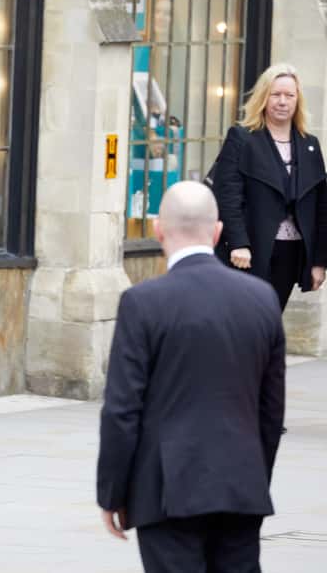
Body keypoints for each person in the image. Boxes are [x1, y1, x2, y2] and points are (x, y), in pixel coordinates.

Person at [97, 181, 285, 573]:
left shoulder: (143, 303)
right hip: (241, 486)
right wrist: (255, 477)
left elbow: (122, 411)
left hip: (167, 490)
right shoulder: (262, 298)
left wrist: (113, 493)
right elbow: (271, 411)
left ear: (158, 230)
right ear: (217, 232)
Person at [213, 62, 327, 310]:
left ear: (298, 100)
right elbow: (227, 196)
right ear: (263, 97)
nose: (282, 102)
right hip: (249, 253)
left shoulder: (310, 144)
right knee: (245, 319)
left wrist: (319, 261)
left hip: (291, 252)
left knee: (271, 318)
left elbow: (321, 206)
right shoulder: (242, 138)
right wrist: (238, 243)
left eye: (289, 95)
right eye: (276, 95)